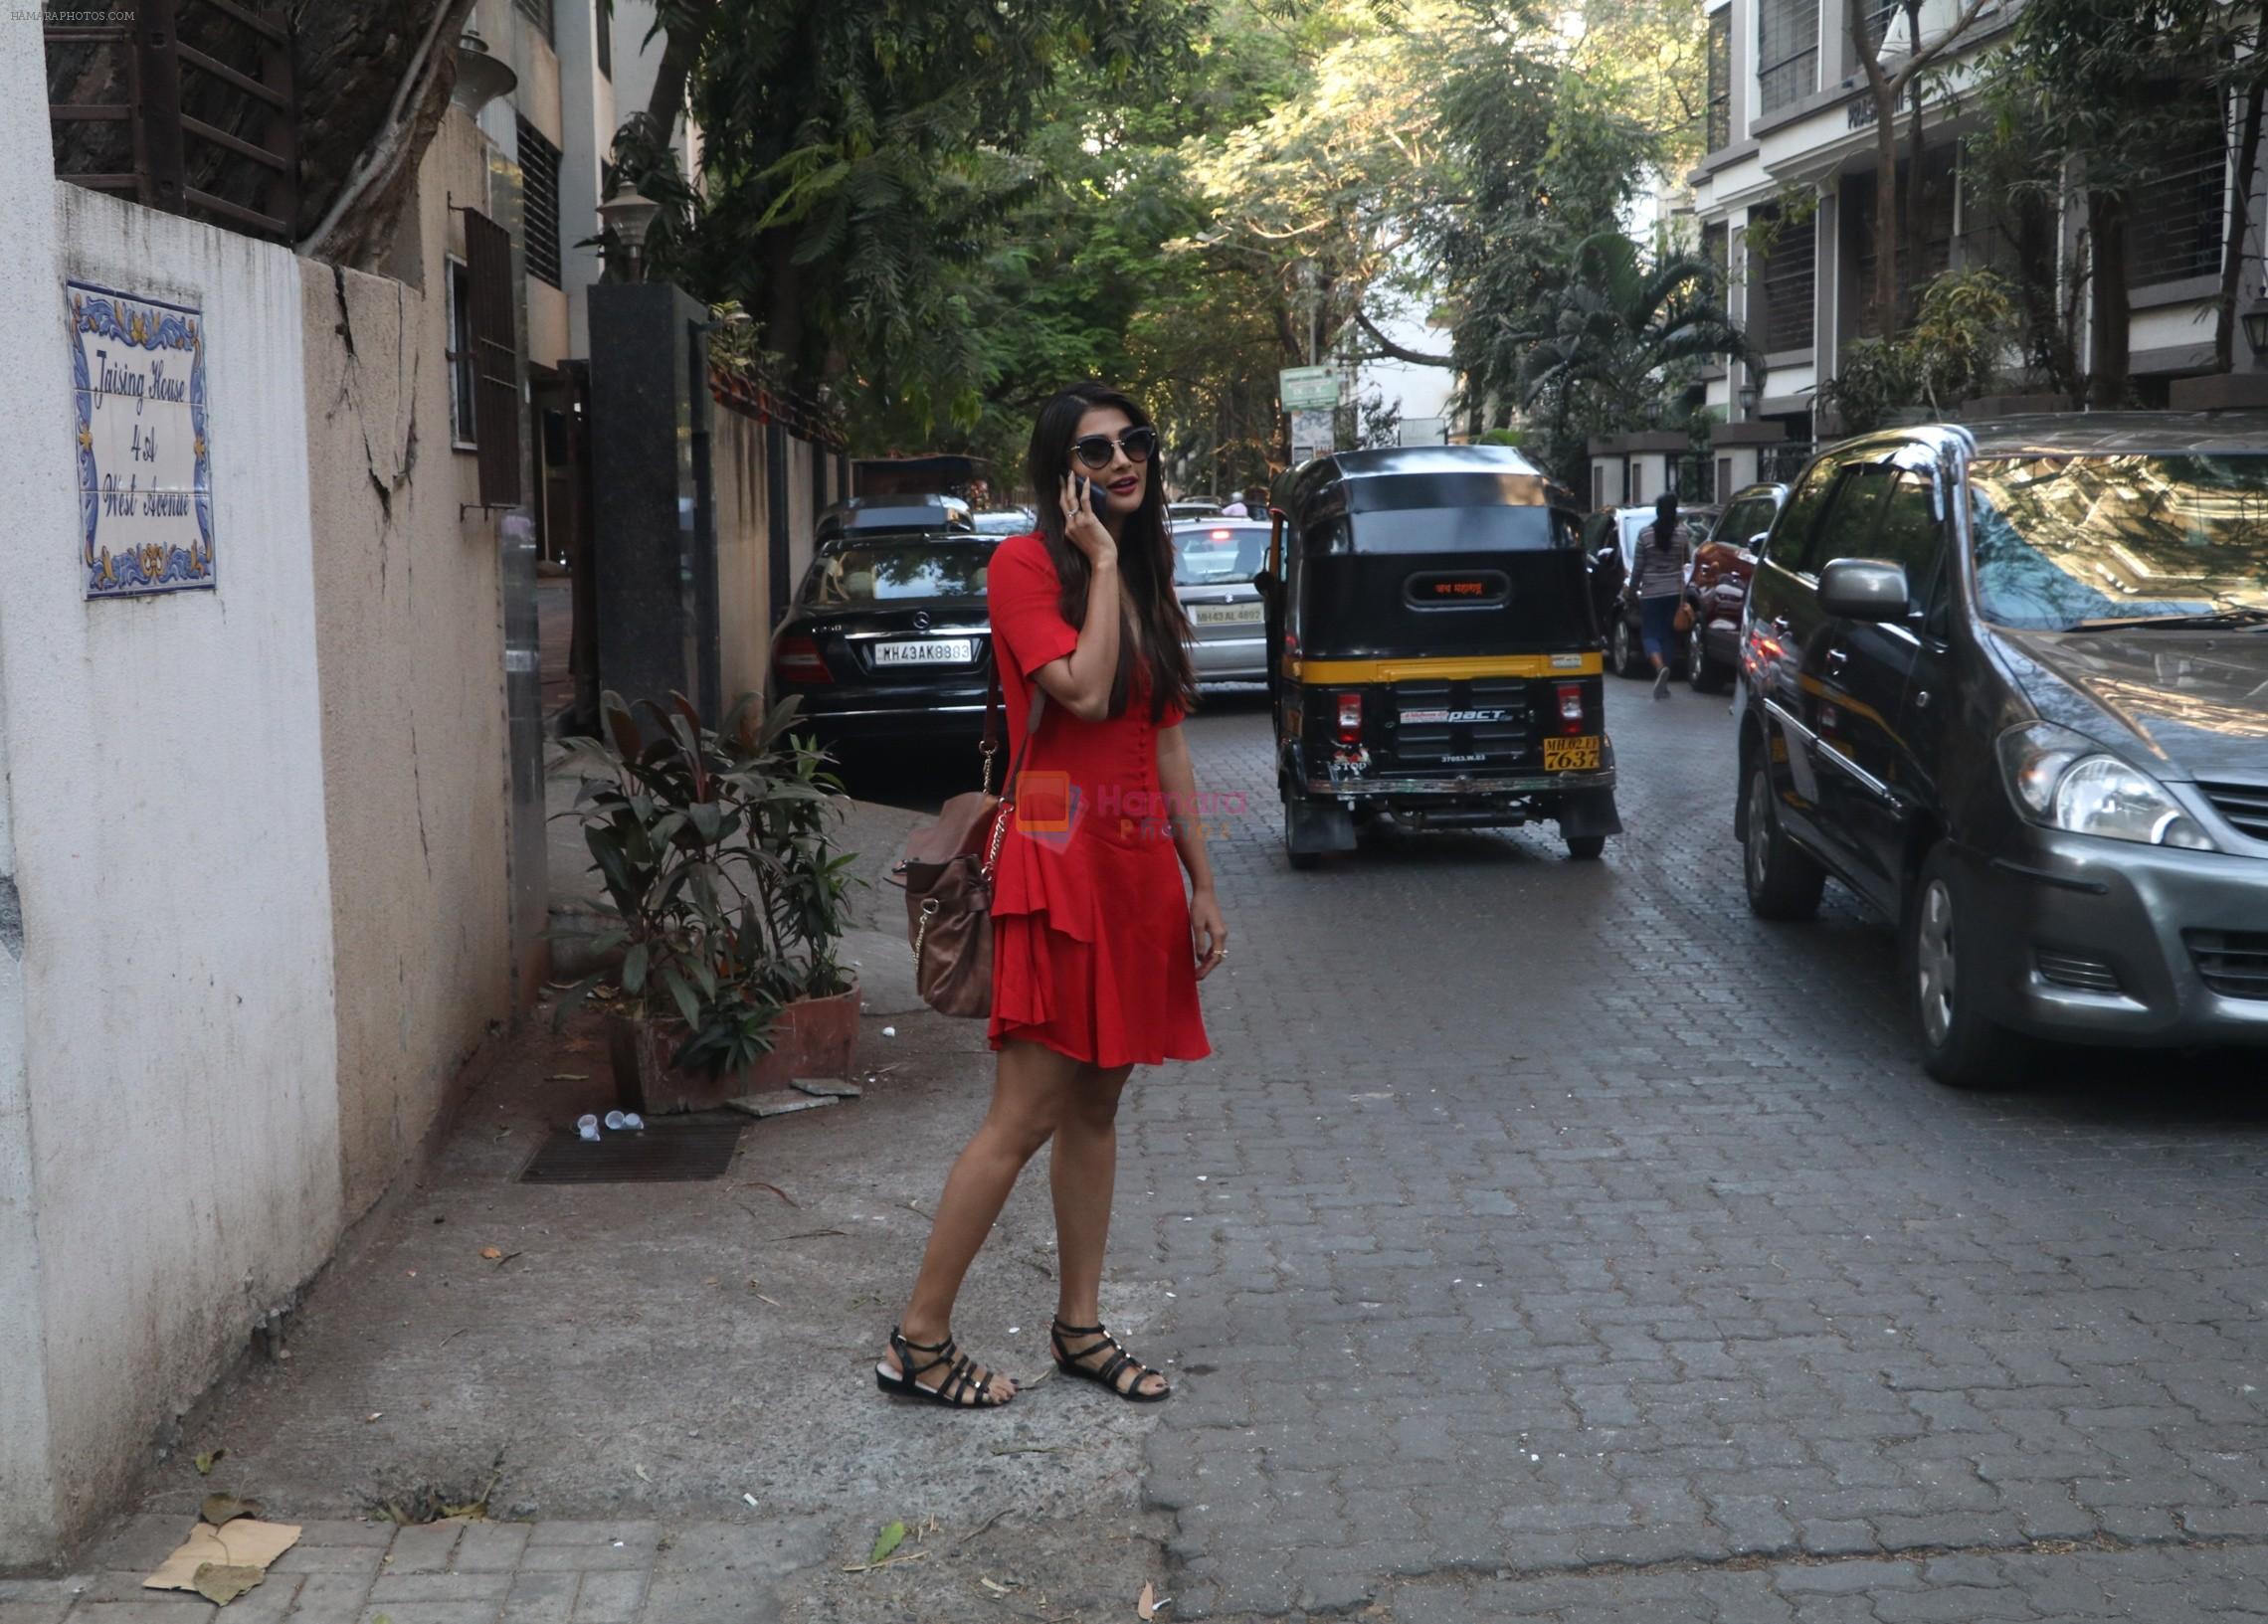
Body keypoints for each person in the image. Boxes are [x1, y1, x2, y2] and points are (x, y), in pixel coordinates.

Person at [877, 382, 1229, 1411]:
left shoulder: (1149, 569)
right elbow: (1077, 687)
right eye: (1096, 450)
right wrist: (1107, 564)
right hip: (1052, 839)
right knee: (1026, 1110)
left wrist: (1202, 881)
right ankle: (918, 1339)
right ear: (1059, 471)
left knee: (1101, 1099)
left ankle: (1080, 1327)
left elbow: (1163, 738)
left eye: (1135, 443)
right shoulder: (1025, 564)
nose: (1123, 460)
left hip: (1130, 859)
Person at [1625, 493, 1693, 700]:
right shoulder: (1683, 534)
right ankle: (1664, 681)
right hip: (1674, 592)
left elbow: (1638, 568)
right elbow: (1687, 560)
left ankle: (1660, 667)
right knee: (1668, 635)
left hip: (1651, 593)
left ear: (1657, 511)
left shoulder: (1645, 535)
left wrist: (1632, 591)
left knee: (1650, 634)